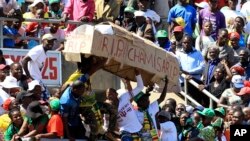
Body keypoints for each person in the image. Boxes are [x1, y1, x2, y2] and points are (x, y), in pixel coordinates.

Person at [105, 69, 144, 140]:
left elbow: (140, 87)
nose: (109, 95)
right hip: (125, 132)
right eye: (107, 95)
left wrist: (138, 74)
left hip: (139, 130)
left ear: (116, 94)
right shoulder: (108, 109)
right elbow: (107, 126)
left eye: (111, 93)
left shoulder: (124, 97)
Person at [22, 33, 56, 101]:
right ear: (43, 41)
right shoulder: (39, 50)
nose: (51, 43)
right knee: (43, 99)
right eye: (48, 41)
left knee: (46, 98)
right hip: (33, 80)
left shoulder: (43, 51)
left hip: (37, 79)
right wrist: (28, 76)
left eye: (52, 42)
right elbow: (24, 60)